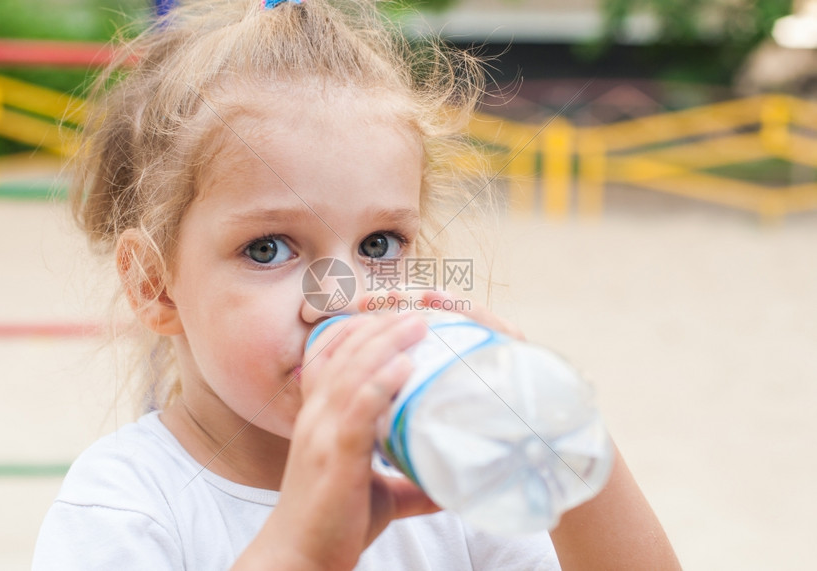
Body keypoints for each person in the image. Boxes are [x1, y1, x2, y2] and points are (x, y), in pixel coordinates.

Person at [33, 0, 680, 569]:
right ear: (156, 285)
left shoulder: (438, 462)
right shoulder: (127, 506)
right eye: (268, 248)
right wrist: (302, 552)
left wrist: (568, 451)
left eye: (378, 245)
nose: (341, 295)